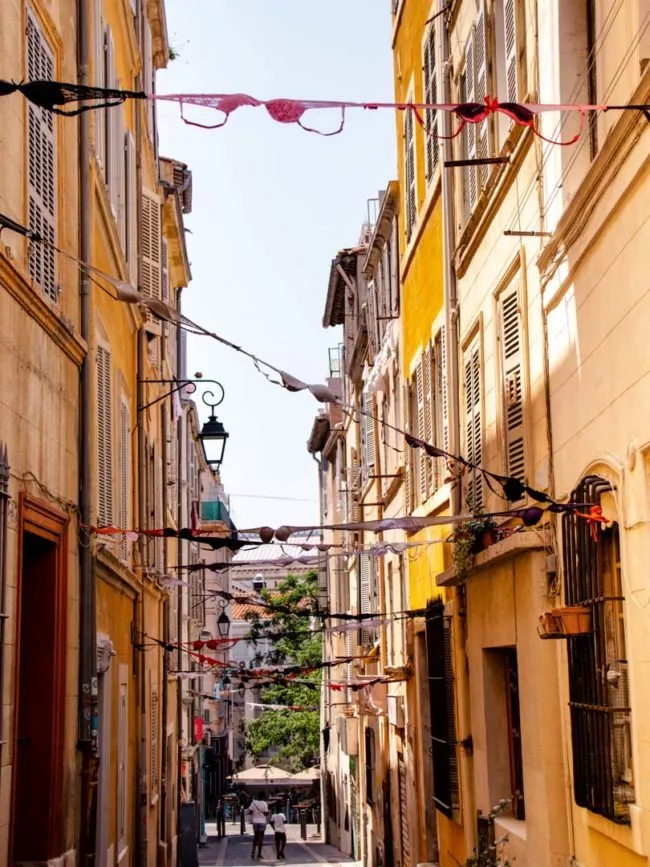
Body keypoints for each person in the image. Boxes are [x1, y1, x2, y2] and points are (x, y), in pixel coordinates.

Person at [249, 792, 269, 859]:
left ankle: (253, 852)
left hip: (255, 822)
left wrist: (255, 812)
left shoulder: (253, 803)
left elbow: (250, 811)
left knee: (255, 837)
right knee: (261, 838)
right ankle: (259, 854)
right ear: (263, 797)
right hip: (262, 822)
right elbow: (266, 813)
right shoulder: (264, 803)